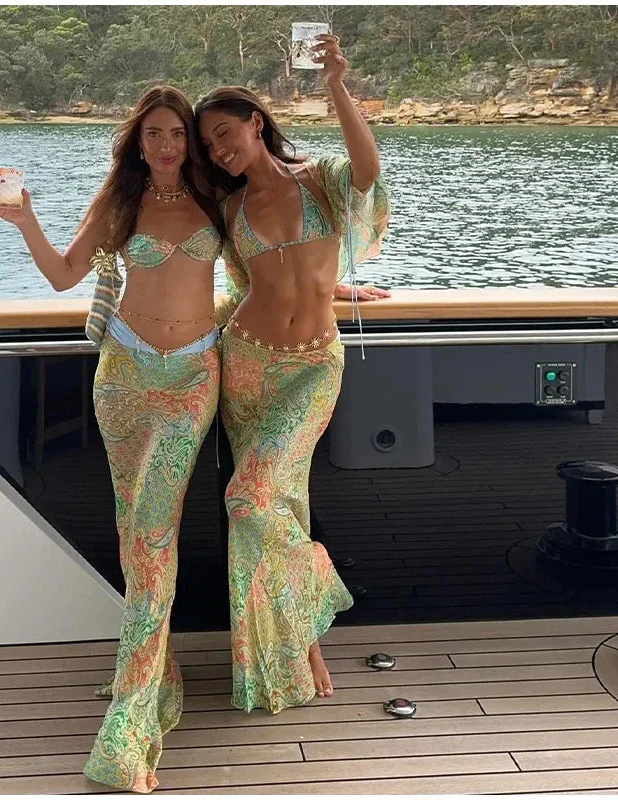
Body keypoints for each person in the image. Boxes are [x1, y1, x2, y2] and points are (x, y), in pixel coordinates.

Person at [0, 85, 223, 794]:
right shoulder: (119, 202)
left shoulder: (218, 196)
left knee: (154, 529)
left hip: (193, 378)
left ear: (191, 140)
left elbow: (267, 263)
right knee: (135, 529)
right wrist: (26, 220)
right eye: (153, 134)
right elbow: (64, 274)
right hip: (123, 376)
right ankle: (154, 669)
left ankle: (132, 713)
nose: (166, 146)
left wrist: (332, 290)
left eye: (176, 133)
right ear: (136, 142)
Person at [196, 34, 391, 715]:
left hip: (311, 366)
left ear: (255, 122)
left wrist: (335, 84)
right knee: (281, 505)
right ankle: (297, 648)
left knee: (249, 499)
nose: (218, 151)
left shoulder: (321, 181)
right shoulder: (229, 209)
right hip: (246, 362)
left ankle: (314, 593)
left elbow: (369, 170)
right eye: (209, 146)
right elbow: (250, 283)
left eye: (225, 134)